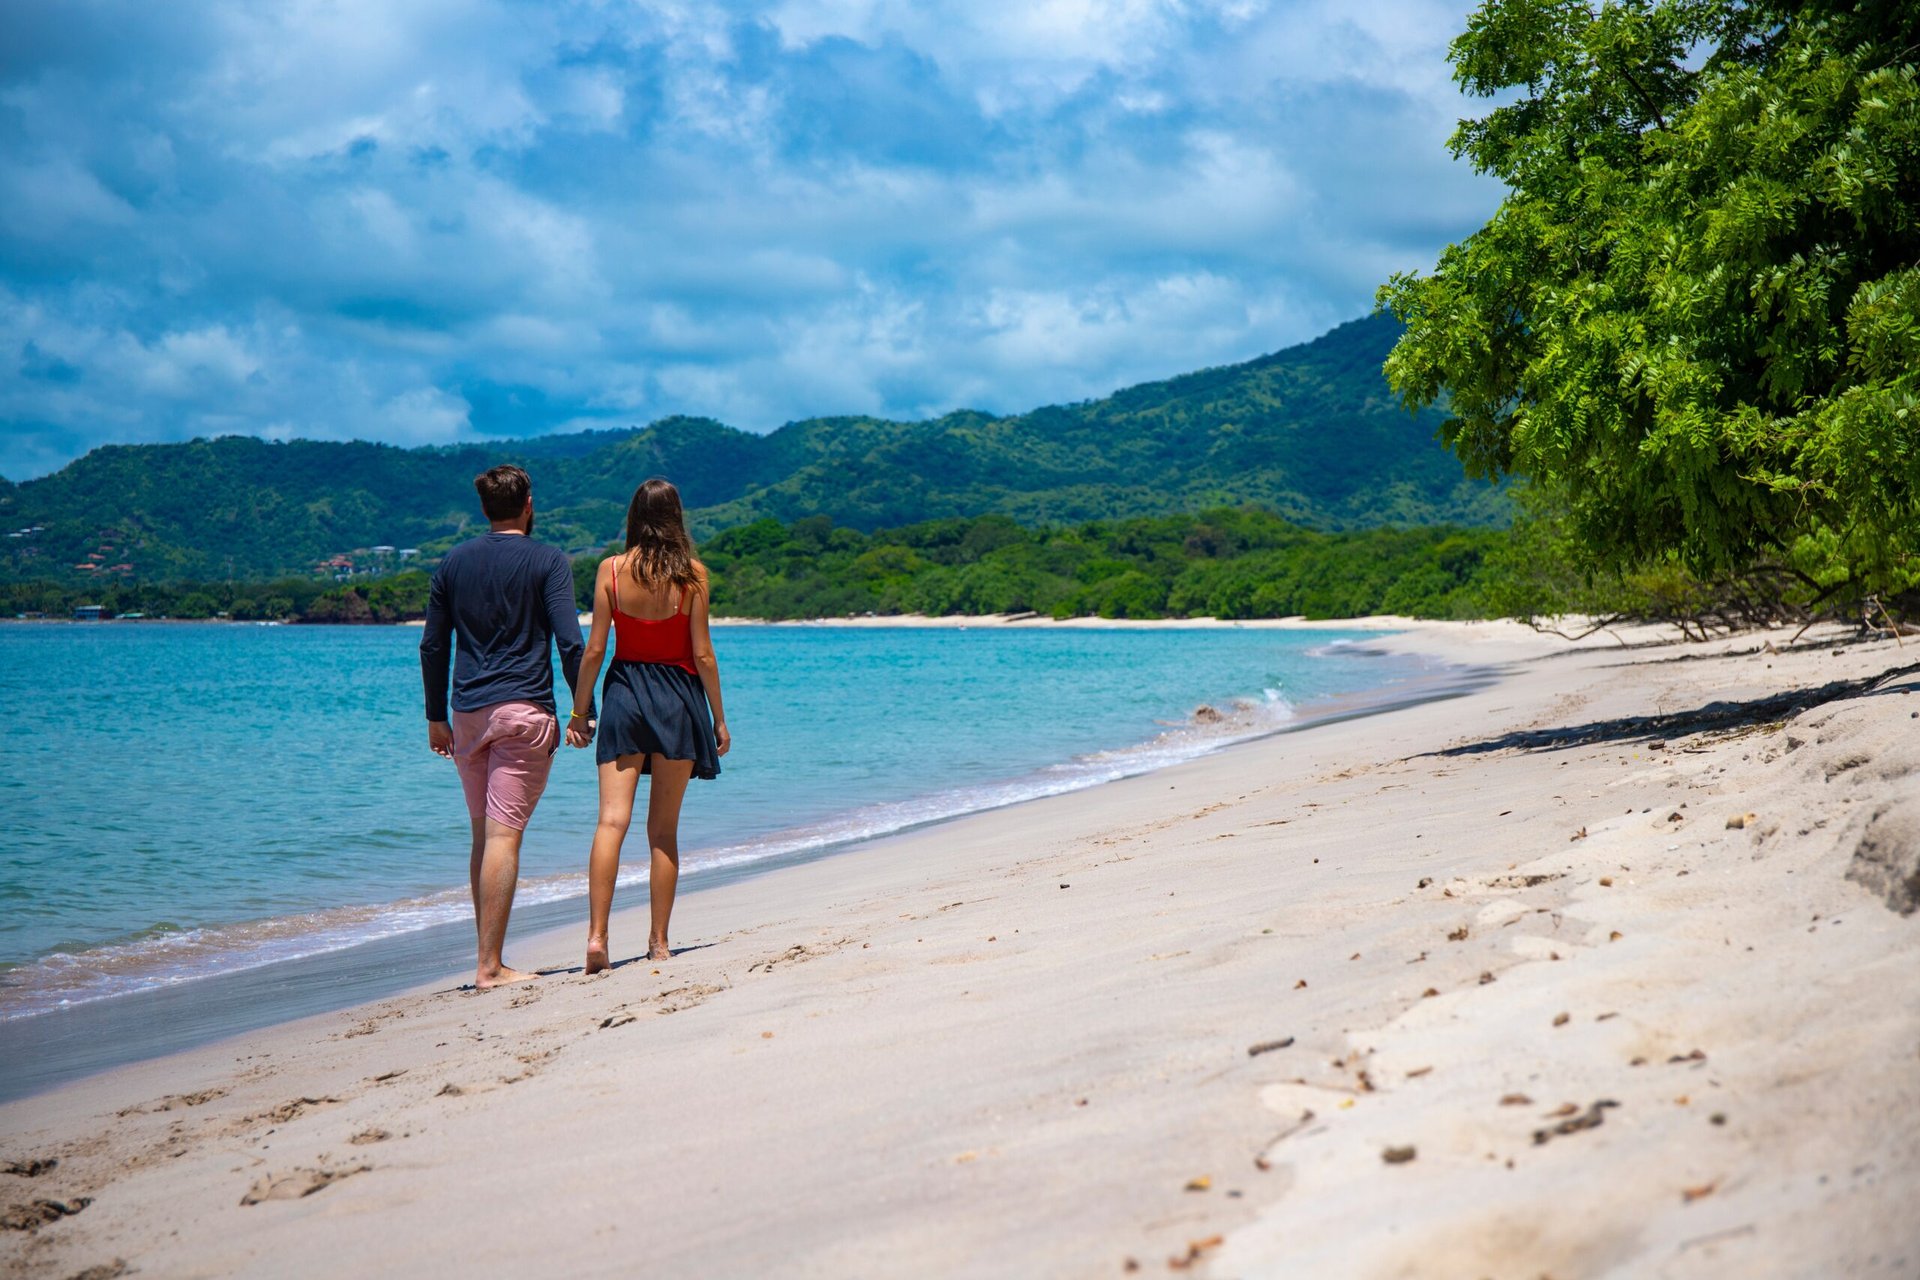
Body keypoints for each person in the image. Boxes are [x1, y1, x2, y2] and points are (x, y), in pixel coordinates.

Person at [420, 464, 589, 990]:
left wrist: (434, 718)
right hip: (524, 713)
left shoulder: (453, 562)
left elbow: (432, 645)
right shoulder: (548, 560)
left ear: (485, 509)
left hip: (467, 715)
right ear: (529, 504)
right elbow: (569, 642)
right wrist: (584, 711)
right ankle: (490, 966)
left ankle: (487, 957)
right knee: (503, 838)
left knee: (483, 837)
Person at [567, 477, 728, 970]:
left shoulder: (610, 571)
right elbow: (701, 654)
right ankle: (658, 942)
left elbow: (594, 649)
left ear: (634, 516)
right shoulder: (693, 575)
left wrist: (578, 711)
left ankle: (597, 937)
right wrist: (719, 719)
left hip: (623, 696)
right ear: (676, 517)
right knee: (663, 832)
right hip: (678, 700)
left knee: (610, 822)